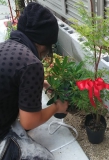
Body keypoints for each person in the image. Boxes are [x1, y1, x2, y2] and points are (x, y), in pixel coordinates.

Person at [0, 2, 68, 160]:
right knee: (44, 157)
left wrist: (41, 83)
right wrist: (57, 107)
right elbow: (28, 122)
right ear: (44, 45)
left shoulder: (6, 47)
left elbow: (10, 79)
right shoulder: (32, 63)